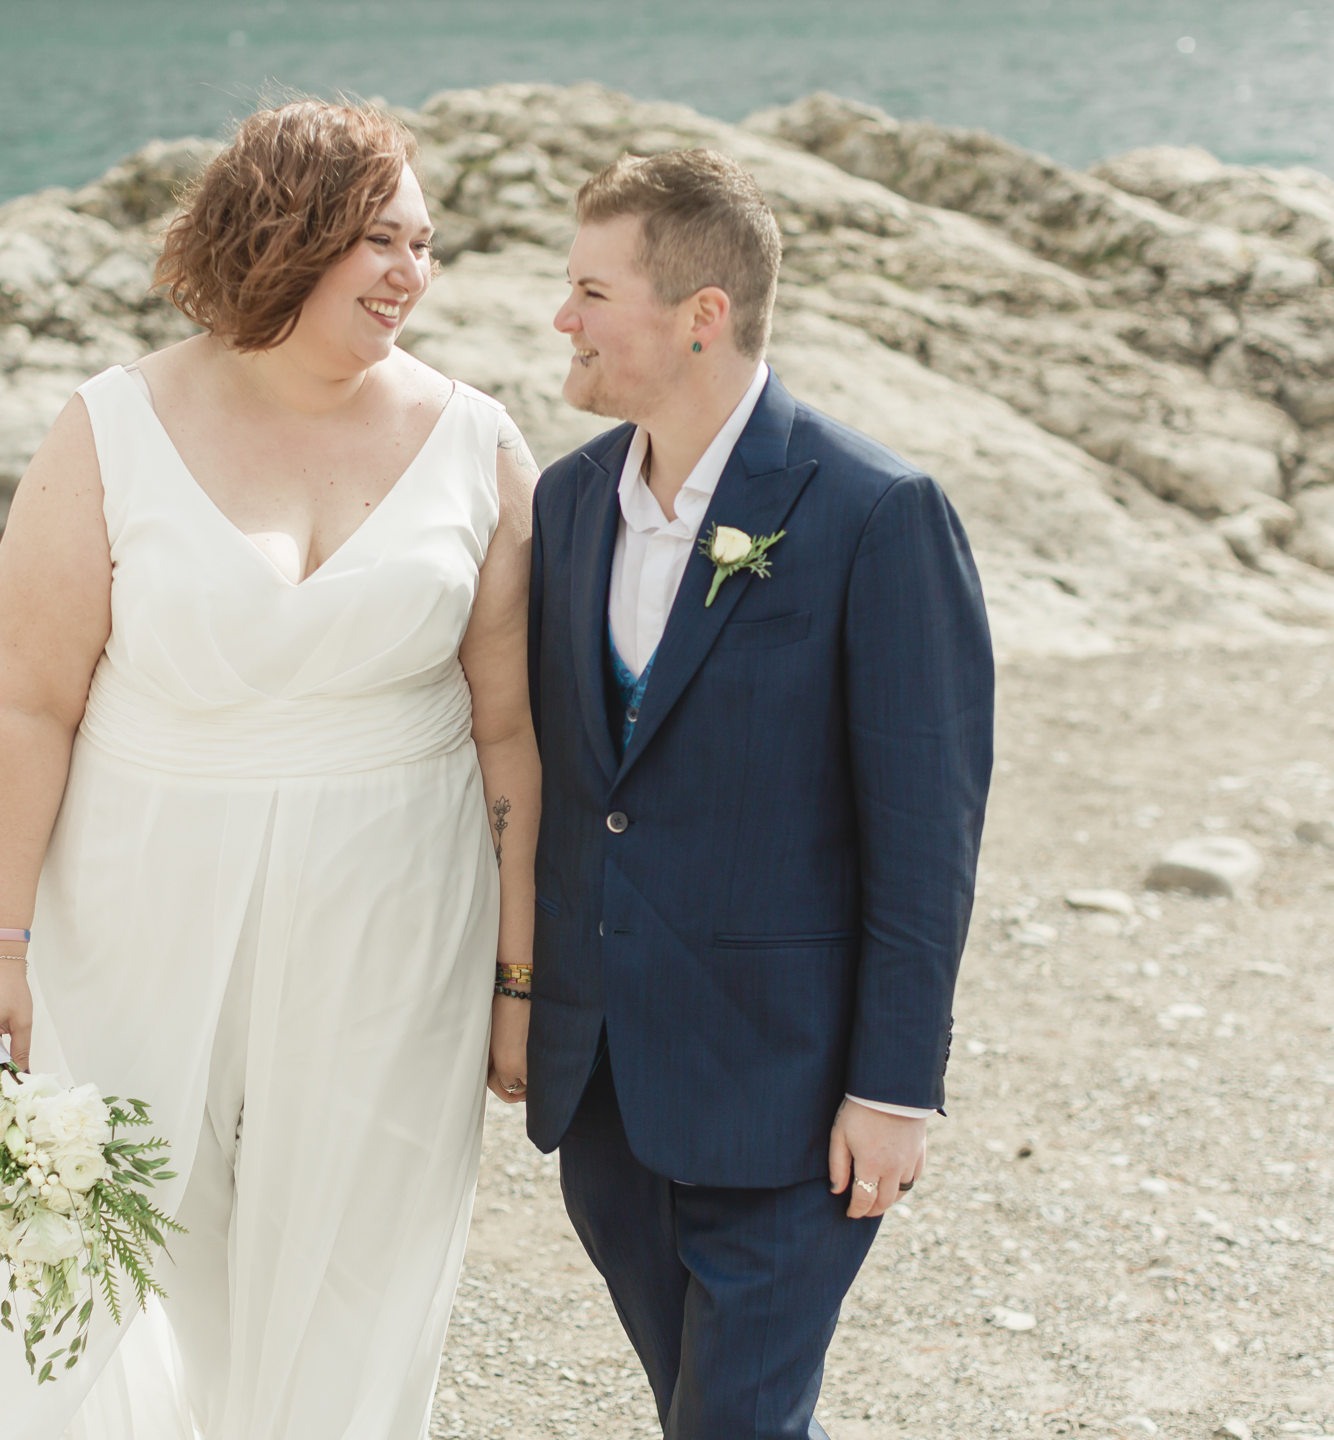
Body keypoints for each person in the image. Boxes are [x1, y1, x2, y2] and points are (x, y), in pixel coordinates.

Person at [0, 99, 541, 1440]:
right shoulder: (112, 428)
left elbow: (508, 732)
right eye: (377, 237)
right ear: (285, 232)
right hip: (134, 907)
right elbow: (26, 708)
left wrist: (519, 978)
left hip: (396, 918)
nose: (410, 273)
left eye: (425, 243)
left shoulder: (480, 446)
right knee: (80, 1251)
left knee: (360, 1266)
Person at [522, 149, 994, 1438]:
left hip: (794, 1100)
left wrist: (896, 1087)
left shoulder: (875, 511)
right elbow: (568, 796)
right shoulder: (566, 508)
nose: (563, 318)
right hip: (611, 1093)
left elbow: (925, 830)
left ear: (701, 314)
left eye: (591, 290)